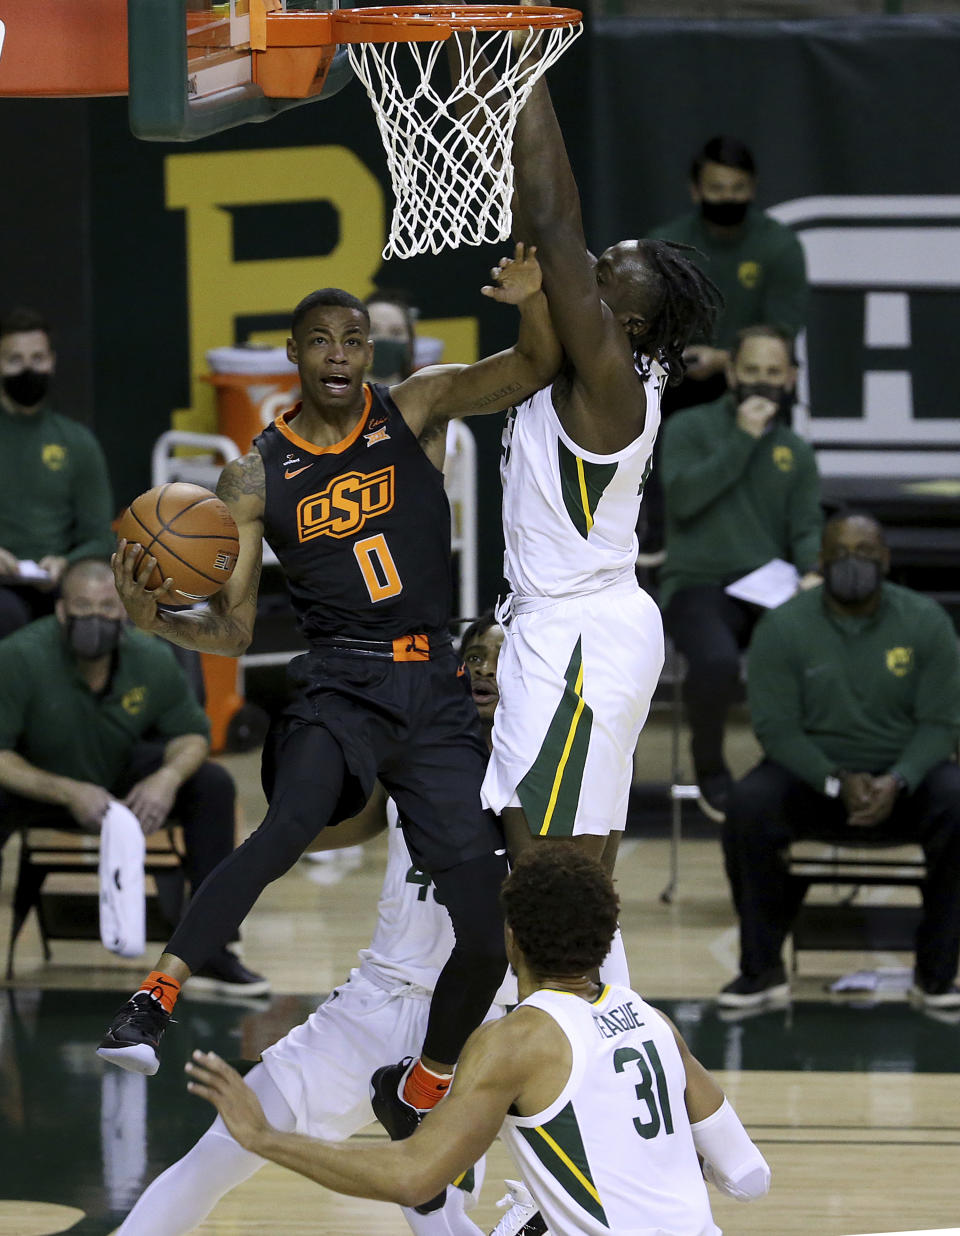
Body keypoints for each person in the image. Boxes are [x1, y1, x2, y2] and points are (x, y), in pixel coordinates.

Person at [97, 253, 560, 1166]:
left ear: (371, 352)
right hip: (337, 684)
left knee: (486, 926)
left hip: (432, 691)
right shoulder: (253, 478)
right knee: (289, 822)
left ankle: (419, 1083)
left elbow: (531, 369)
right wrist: (157, 620)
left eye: (356, 340)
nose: (342, 355)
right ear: (295, 357)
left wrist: (536, 300)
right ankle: (154, 996)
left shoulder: (416, 406)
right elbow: (230, 633)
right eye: (322, 342)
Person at [113, 615, 524, 1236]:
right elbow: (306, 835)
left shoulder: (544, 780)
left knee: (439, 1210)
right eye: (474, 655)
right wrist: (302, 769)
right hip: (375, 1005)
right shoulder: (412, 763)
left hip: (478, 1025)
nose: (485, 666)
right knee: (225, 1146)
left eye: (501, 656)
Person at [184, 844, 772, 1234]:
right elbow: (749, 1177)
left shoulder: (512, 1041)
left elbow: (413, 1177)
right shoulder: (654, 1022)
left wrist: (263, 1137)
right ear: (603, 938)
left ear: (512, 937)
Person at [476, 59, 721, 985]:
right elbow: (546, 237)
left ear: (624, 318)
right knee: (561, 893)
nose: (583, 272)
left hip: (581, 640)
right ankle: (603, 1058)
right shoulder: (595, 370)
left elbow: (554, 224)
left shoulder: (616, 385)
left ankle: (582, 1065)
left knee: (552, 889)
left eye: (599, 275)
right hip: (571, 629)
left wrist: (520, 67)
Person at [719, 512, 960, 1009]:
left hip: (906, 785)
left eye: (866, 553)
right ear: (822, 563)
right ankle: (761, 970)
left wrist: (898, 778)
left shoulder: (926, 622)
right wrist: (834, 780)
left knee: (957, 801)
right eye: (842, 555)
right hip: (814, 782)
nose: (855, 564)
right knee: (748, 804)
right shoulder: (784, 626)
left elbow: (942, 724)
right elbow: (776, 729)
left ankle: (936, 976)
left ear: (886, 560)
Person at [0, 559, 260, 993]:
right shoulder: (19, 657)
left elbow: (193, 735)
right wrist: (66, 791)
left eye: (106, 606)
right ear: (61, 611)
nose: (95, 617)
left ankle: (211, 951)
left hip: (122, 778)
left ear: (122, 612)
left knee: (211, 785)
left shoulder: (150, 659)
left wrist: (168, 778)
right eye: (83, 606)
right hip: (43, 781)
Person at [659, 325, 823, 822]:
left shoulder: (795, 450)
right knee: (715, 661)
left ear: (791, 379)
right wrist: (743, 438)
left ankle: (796, 769)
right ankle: (709, 765)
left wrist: (812, 571)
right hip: (697, 583)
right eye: (751, 370)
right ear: (731, 374)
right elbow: (683, 500)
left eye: (773, 372)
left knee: (820, 653)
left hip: (771, 586)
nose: (762, 381)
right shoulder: (689, 429)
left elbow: (806, 527)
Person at [647, 135, 808, 414]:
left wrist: (723, 360)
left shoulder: (779, 246)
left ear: (753, 188)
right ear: (695, 190)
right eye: (717, 188)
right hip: (674, 385)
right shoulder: (666, 245)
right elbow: (645, 321)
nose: (728, 198)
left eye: (738, 188)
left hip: (754, 383)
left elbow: (782, 331)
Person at [0, 307, 115, 639]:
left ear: (51, 362)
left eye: (37, 359)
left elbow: (99, 537)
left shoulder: (77, 442)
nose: (28, 370)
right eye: (14, 360)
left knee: (116, 612)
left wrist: (66, 562)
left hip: (59, 582)